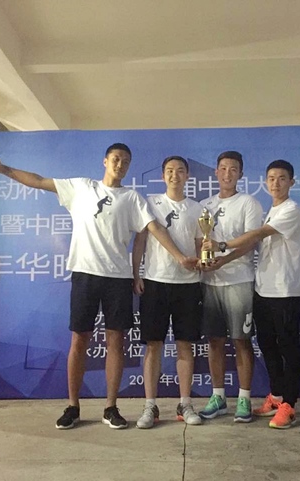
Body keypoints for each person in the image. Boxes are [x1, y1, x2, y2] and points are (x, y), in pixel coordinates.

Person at [0, 143, 197, 430]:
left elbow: (154, 229)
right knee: (79, 340)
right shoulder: (81, 187)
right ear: (105, 161)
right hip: (85, 274)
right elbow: (39, 181)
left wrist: (179, 257)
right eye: (116, 159)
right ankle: (73, 406)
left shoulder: (132, 198)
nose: (120, 165)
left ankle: (110, 407)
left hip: (118, 278)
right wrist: (2, 169)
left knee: (115, 342)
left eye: (126, 161)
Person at [203, 159, 300, 429]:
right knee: (268, 345)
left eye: (282, 178)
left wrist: (222, 246)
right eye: (271, 178)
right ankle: (276, 396)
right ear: (265, 182)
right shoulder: (272, 210)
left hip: (286, 290)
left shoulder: (292, 210)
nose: (276, 183)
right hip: (263, 288)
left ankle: (289, 405)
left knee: (288, 347)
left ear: (291, 182)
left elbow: (258, 234)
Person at [132, 156, 204, 428]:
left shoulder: (197, 208)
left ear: (187, 176)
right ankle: (150, 406)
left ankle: (185, 403)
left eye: (180, 171)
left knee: (185, 344)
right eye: (170, 171)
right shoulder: (150, 203)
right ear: (162, 176)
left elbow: (200, 245)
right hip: (155, 282)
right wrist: (136, 273)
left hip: (188, 285)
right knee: (154, 345)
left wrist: (203, 264)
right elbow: (140, 241)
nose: (175, 175)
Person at [198, 151, 263, 423]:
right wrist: (203, 262)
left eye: (233, 169)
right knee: (214, 340)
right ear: (216, 172)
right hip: (210, 282)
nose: (227, 174)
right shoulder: (205, 205)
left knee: (241, 340)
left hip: (239, 280)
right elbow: (200, 242)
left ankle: (245, 398)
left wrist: (224, 259)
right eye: (223, 168)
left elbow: (251, 241)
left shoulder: (249, 203)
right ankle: (218, 397)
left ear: (241, 174)